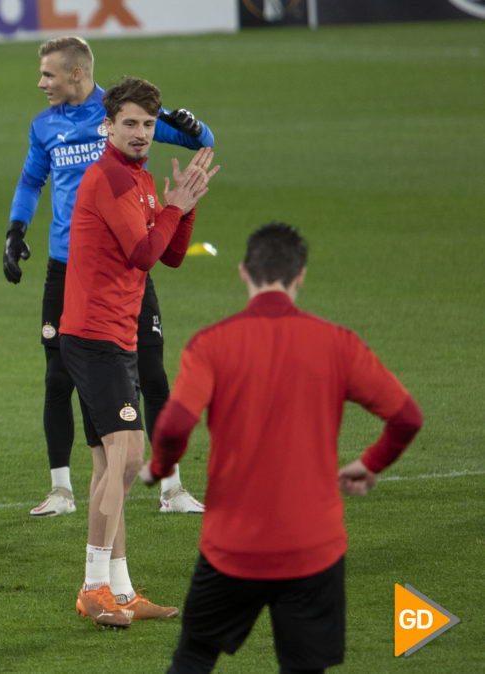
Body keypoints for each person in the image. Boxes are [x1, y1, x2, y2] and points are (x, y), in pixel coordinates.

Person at [146, 223, 423, 671]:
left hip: (232, 548)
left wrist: (159, 466)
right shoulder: (338, 344)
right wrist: (370, 463)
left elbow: (175, 424)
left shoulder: (211, 344)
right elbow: (407, 417)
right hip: (313, 547)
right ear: (300, 277)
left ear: (243, 273)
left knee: (195, 656)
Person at [3, 36, 212, 517]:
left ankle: (171, 487)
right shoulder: (44, 127)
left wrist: (194, 125)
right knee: (59, 377)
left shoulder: (123, 115)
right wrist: (16, 229)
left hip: (127, 265)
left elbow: (201, 143)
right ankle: (61, 489)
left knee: (152, 371)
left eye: (48, 74)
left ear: (76, 73)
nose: (41, 83)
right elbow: (32, 180)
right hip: (67, 266)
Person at [60, 77, 219, 628]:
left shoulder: (141, 179)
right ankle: (93, 585)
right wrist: (171, 208)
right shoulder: (108, 177)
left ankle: (119, 588)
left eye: (149, 125)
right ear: (108, 126)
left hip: (117, 336)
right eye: (129, 123)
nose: (140, 133)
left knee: (113, 462)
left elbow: (171, 255)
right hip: (92, 335)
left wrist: (185, 206)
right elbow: (143, 251)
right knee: (127, 457)